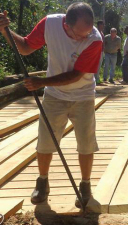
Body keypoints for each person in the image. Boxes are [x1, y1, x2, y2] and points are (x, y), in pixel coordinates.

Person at [0, 2, 102, 208]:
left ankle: (85, 185)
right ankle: (42, 181)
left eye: (88, 32)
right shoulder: (50, 25)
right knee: (45, 141)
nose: (84, 37)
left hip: (82, 95)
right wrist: (5, 30)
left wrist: (42, 82)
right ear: (66, 24)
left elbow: (76, 75)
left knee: (86, 143)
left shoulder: (95, 39)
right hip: (55, 96)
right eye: (79, 34)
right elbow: (27, 47)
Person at [94, 20, 105, 84]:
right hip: (97, 52)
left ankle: (97, 78)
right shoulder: (96, 32)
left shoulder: (102, 33)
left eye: (103, 25)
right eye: (102, 25)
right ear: (98, 25)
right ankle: (95, 79)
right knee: (96, 65)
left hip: (101, 51)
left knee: (99, 65)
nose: (103, 26)